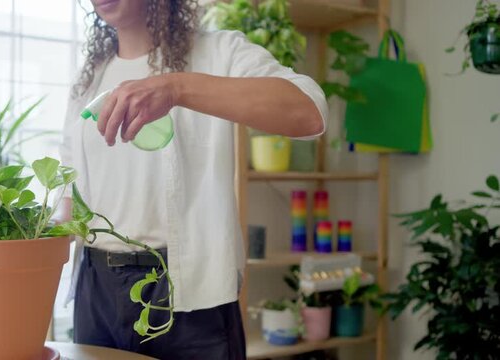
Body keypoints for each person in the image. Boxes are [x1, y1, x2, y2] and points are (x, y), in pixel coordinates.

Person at [58, 0, 328, 359]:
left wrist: (176, 88)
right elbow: (69, 182)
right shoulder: (90, 77)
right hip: (96, 289)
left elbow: (309, 113)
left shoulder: (219, 52)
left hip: (189, 294)